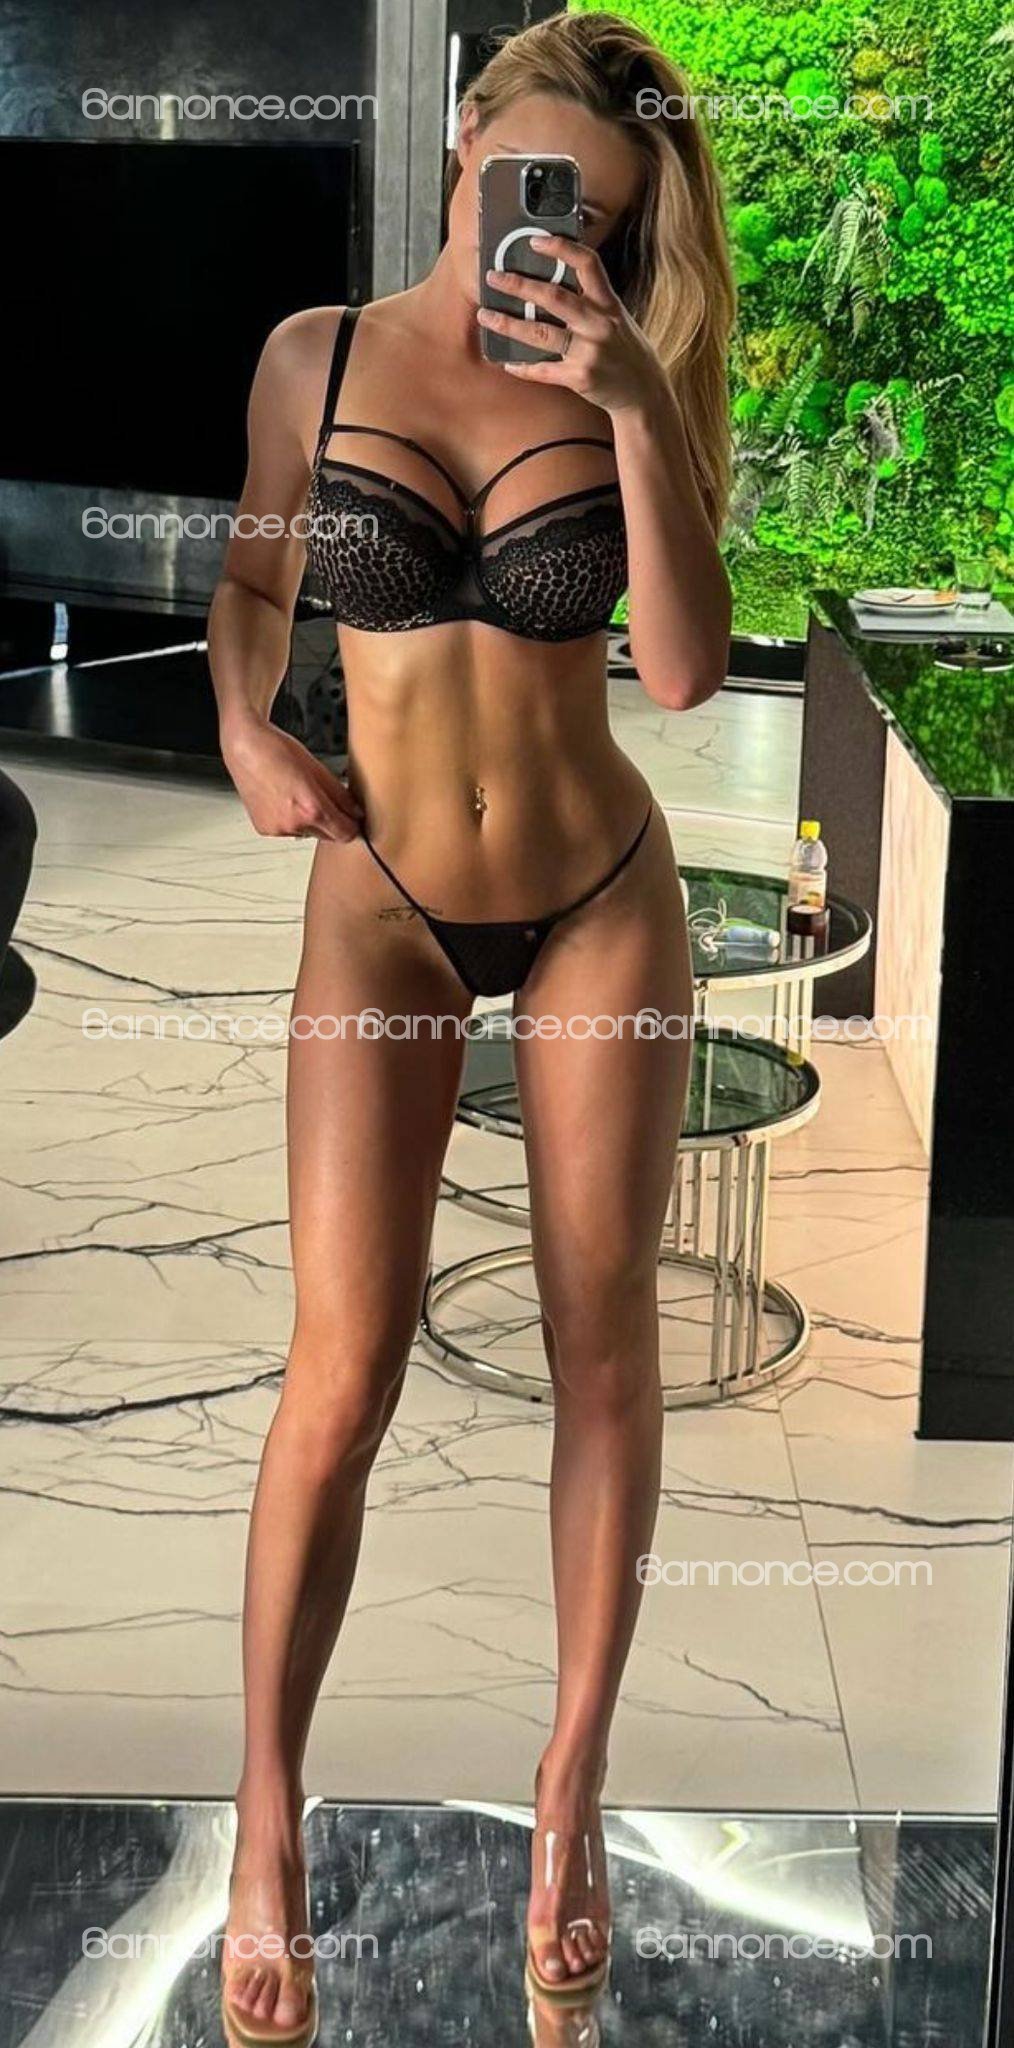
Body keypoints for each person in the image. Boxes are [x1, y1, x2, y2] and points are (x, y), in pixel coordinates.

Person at [209, 10, 734, 2039]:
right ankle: (265, 1815)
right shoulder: (313, 357)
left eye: (593, 219)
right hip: (385, 908)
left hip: (598, 899)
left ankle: (571, 1791)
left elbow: (677, 673)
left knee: (605, 1350)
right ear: (463, 141)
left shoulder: (630, 367)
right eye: (533, 190)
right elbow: (257, 584)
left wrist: (630, 400)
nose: (552, 240)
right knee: (338, 1370)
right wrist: (246, 725)